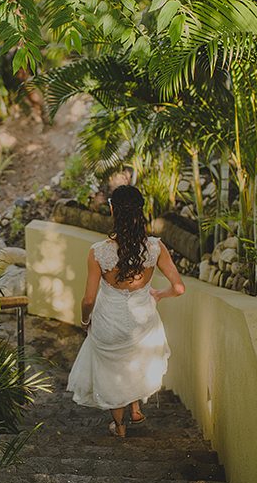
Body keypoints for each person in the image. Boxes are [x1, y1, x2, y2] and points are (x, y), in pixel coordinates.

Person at [66, 185, 186, 438]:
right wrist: (158, 294)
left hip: (109, 321)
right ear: (141, 211)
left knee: (113, 370)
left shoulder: (99, 252)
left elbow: (88, 299)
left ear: (112, 210)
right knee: (135, 360)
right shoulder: (155, 248)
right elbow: (179, 288)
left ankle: (119, 427)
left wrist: (85, 320)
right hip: (142, 320)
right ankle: (135, 408)